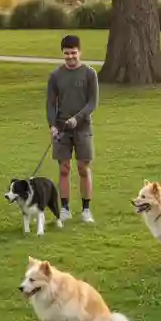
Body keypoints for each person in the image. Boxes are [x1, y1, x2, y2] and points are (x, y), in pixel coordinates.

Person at [46, 34, 99, 224]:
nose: (70, 57)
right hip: (62, 128)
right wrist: (52, 125)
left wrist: (78, 118)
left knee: (83, 168)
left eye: (73, 53)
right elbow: (51, 104)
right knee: (64, 168)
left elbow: (93, 102)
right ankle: (65, 208)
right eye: (67, 53)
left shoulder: (89, 73)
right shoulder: (55, 76)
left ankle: (86, 210)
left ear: (80, 52)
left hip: (82, 128)